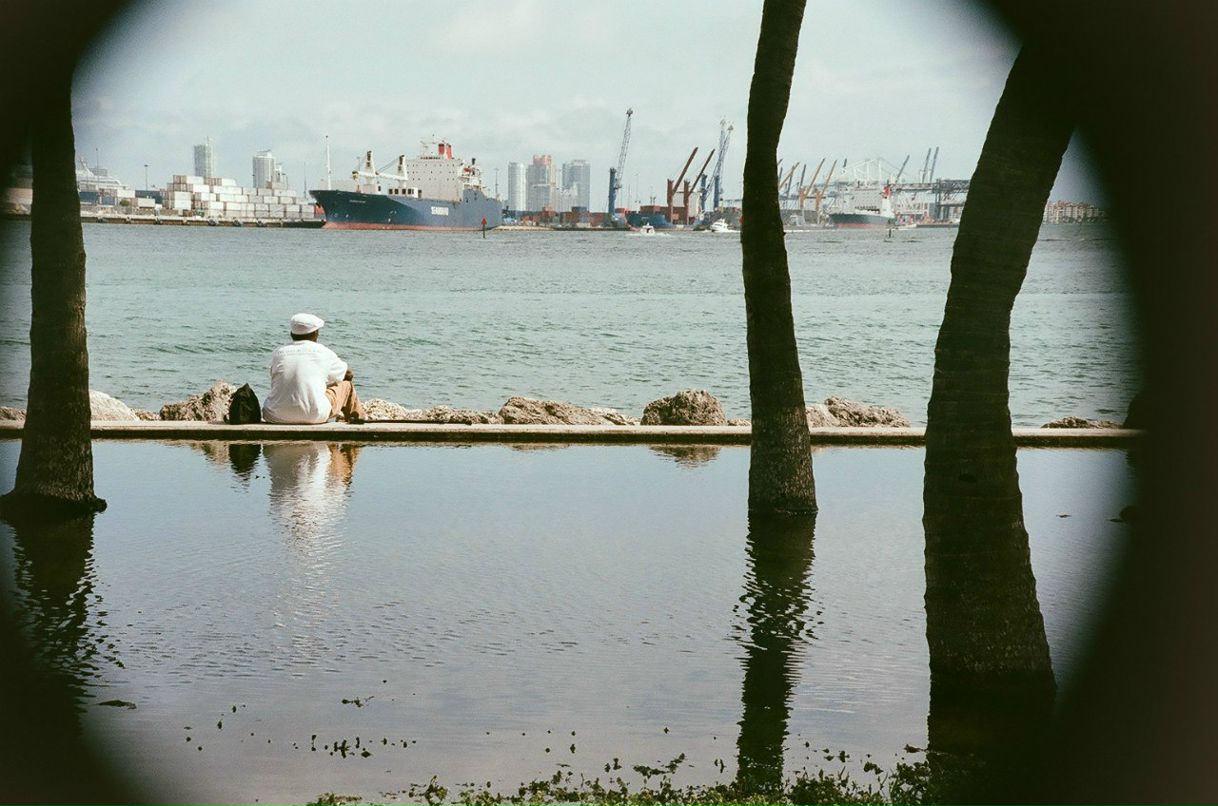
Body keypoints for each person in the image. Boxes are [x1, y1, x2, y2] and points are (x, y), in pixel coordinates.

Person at [262, 312, 367, 424]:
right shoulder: (323, 352)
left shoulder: (278, 353)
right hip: (313, 415)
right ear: (315, 334)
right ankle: (356, 419)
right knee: (346, 385)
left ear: (292, 333)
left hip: (274, 415)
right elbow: (348, 375)